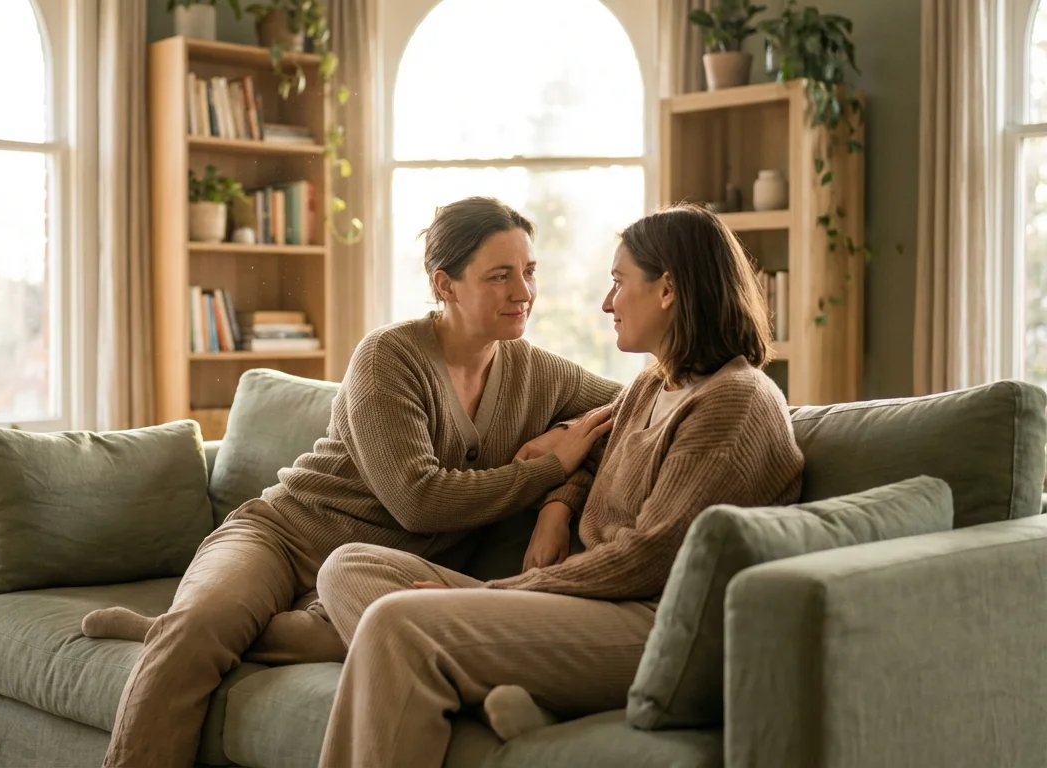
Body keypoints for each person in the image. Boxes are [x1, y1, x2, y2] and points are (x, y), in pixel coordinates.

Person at [96, 196, 624, 768]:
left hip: (365, 577)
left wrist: (560, 495)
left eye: (529, 271)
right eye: (500, 276)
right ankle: (187, 626)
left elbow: (633, 409)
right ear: (444, 284)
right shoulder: (388, 357)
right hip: (285, 538)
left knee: (361, 634)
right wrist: (548, 467)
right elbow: (418, 501)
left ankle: (177, 626)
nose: (523, 292)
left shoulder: (538, 370)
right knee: (200, 630)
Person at [312, 202, 807, 768]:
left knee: (399, 623)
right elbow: (595, 450)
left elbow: (653, 557)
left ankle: (468, 674)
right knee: (351, 566)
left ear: (667, 289)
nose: (606, 302)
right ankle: (512, 692)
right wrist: (557, 506)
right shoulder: (653, 385)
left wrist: (494, 597)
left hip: (651, 619)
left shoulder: (732, 403)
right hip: (594, 602)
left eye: (619, 282)